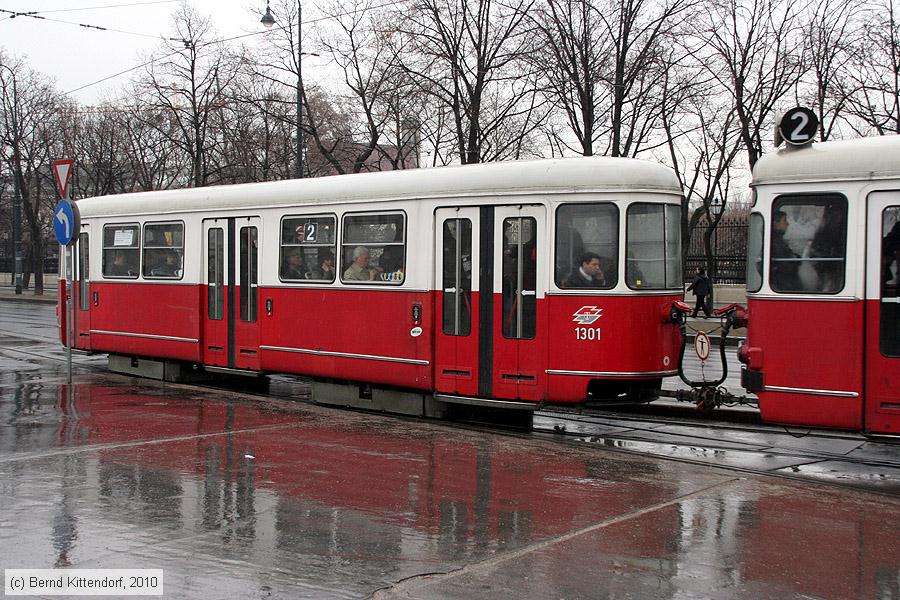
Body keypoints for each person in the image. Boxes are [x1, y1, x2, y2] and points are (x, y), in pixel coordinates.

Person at [770, 210, 798, 291]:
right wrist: (795, 262)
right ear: (775, 223)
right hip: (783, 283)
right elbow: (783, 264)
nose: (787, 224)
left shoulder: (778, 240)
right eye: (784, 220)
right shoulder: (775, 242)